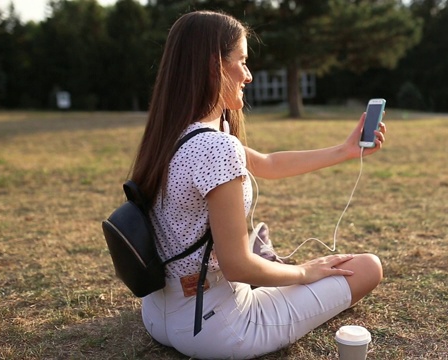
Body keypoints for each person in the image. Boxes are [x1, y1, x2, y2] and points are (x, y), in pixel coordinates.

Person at [132, 10, 386, 359]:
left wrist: (345, 150)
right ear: (214, 66)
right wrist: (302, 272)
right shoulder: (216, 146)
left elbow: (267, 163)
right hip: (216, 327)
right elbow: (237, 265)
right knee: (368, 267)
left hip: (159, 314)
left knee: (261, 245)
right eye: (242, 61)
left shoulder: (173, 132)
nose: (248, 75)